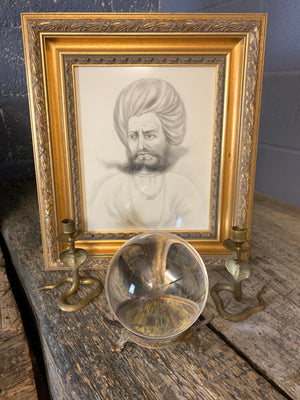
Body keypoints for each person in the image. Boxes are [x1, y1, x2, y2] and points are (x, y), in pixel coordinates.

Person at [89, 78, 206, 230]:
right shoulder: (110, 191)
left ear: (168, 136)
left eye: (150, 135)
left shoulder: (182, 189)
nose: (141, 146)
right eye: (133, 136)